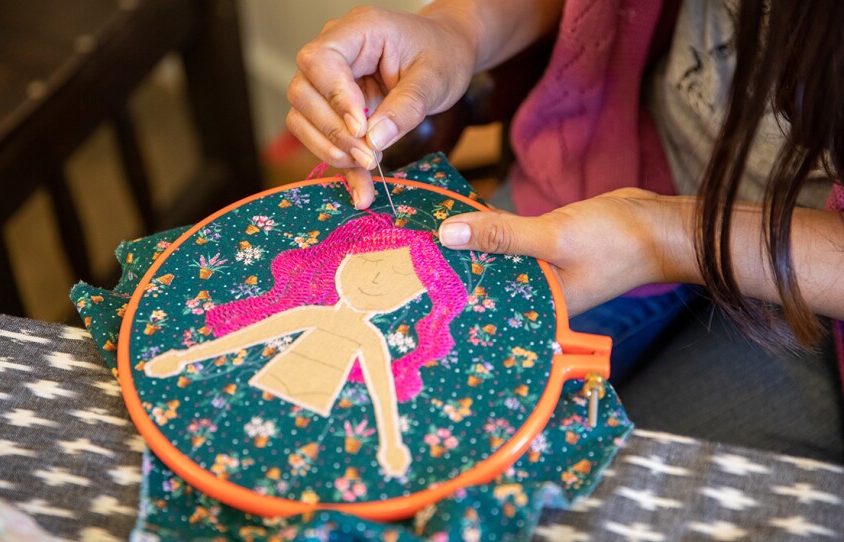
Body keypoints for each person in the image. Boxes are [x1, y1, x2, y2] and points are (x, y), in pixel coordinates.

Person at [285, 0, 844, 462]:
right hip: (611, 167)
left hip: (817, 308)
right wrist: (456, 29)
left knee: (592, 483)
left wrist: (665, 237)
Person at [144, 213, 467, 475]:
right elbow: (250, 335)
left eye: (400, 276)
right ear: (343, 260)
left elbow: (380, 389)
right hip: (264, 388)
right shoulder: (310, 313)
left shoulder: (368, 338)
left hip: (312, 413)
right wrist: (185, 357)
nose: (376, 280)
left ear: (415, 295)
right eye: (368, 263)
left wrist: (391, 442)